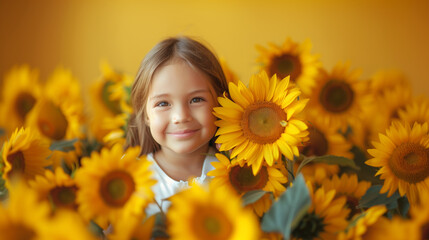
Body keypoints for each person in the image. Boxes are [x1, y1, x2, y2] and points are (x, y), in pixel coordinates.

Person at [125, 36, 229, 216]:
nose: (180, 117)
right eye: (163, 103)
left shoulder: (235, 171)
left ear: (220, 102)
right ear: (146, 114)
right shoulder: (129, 177)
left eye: (196, 100)